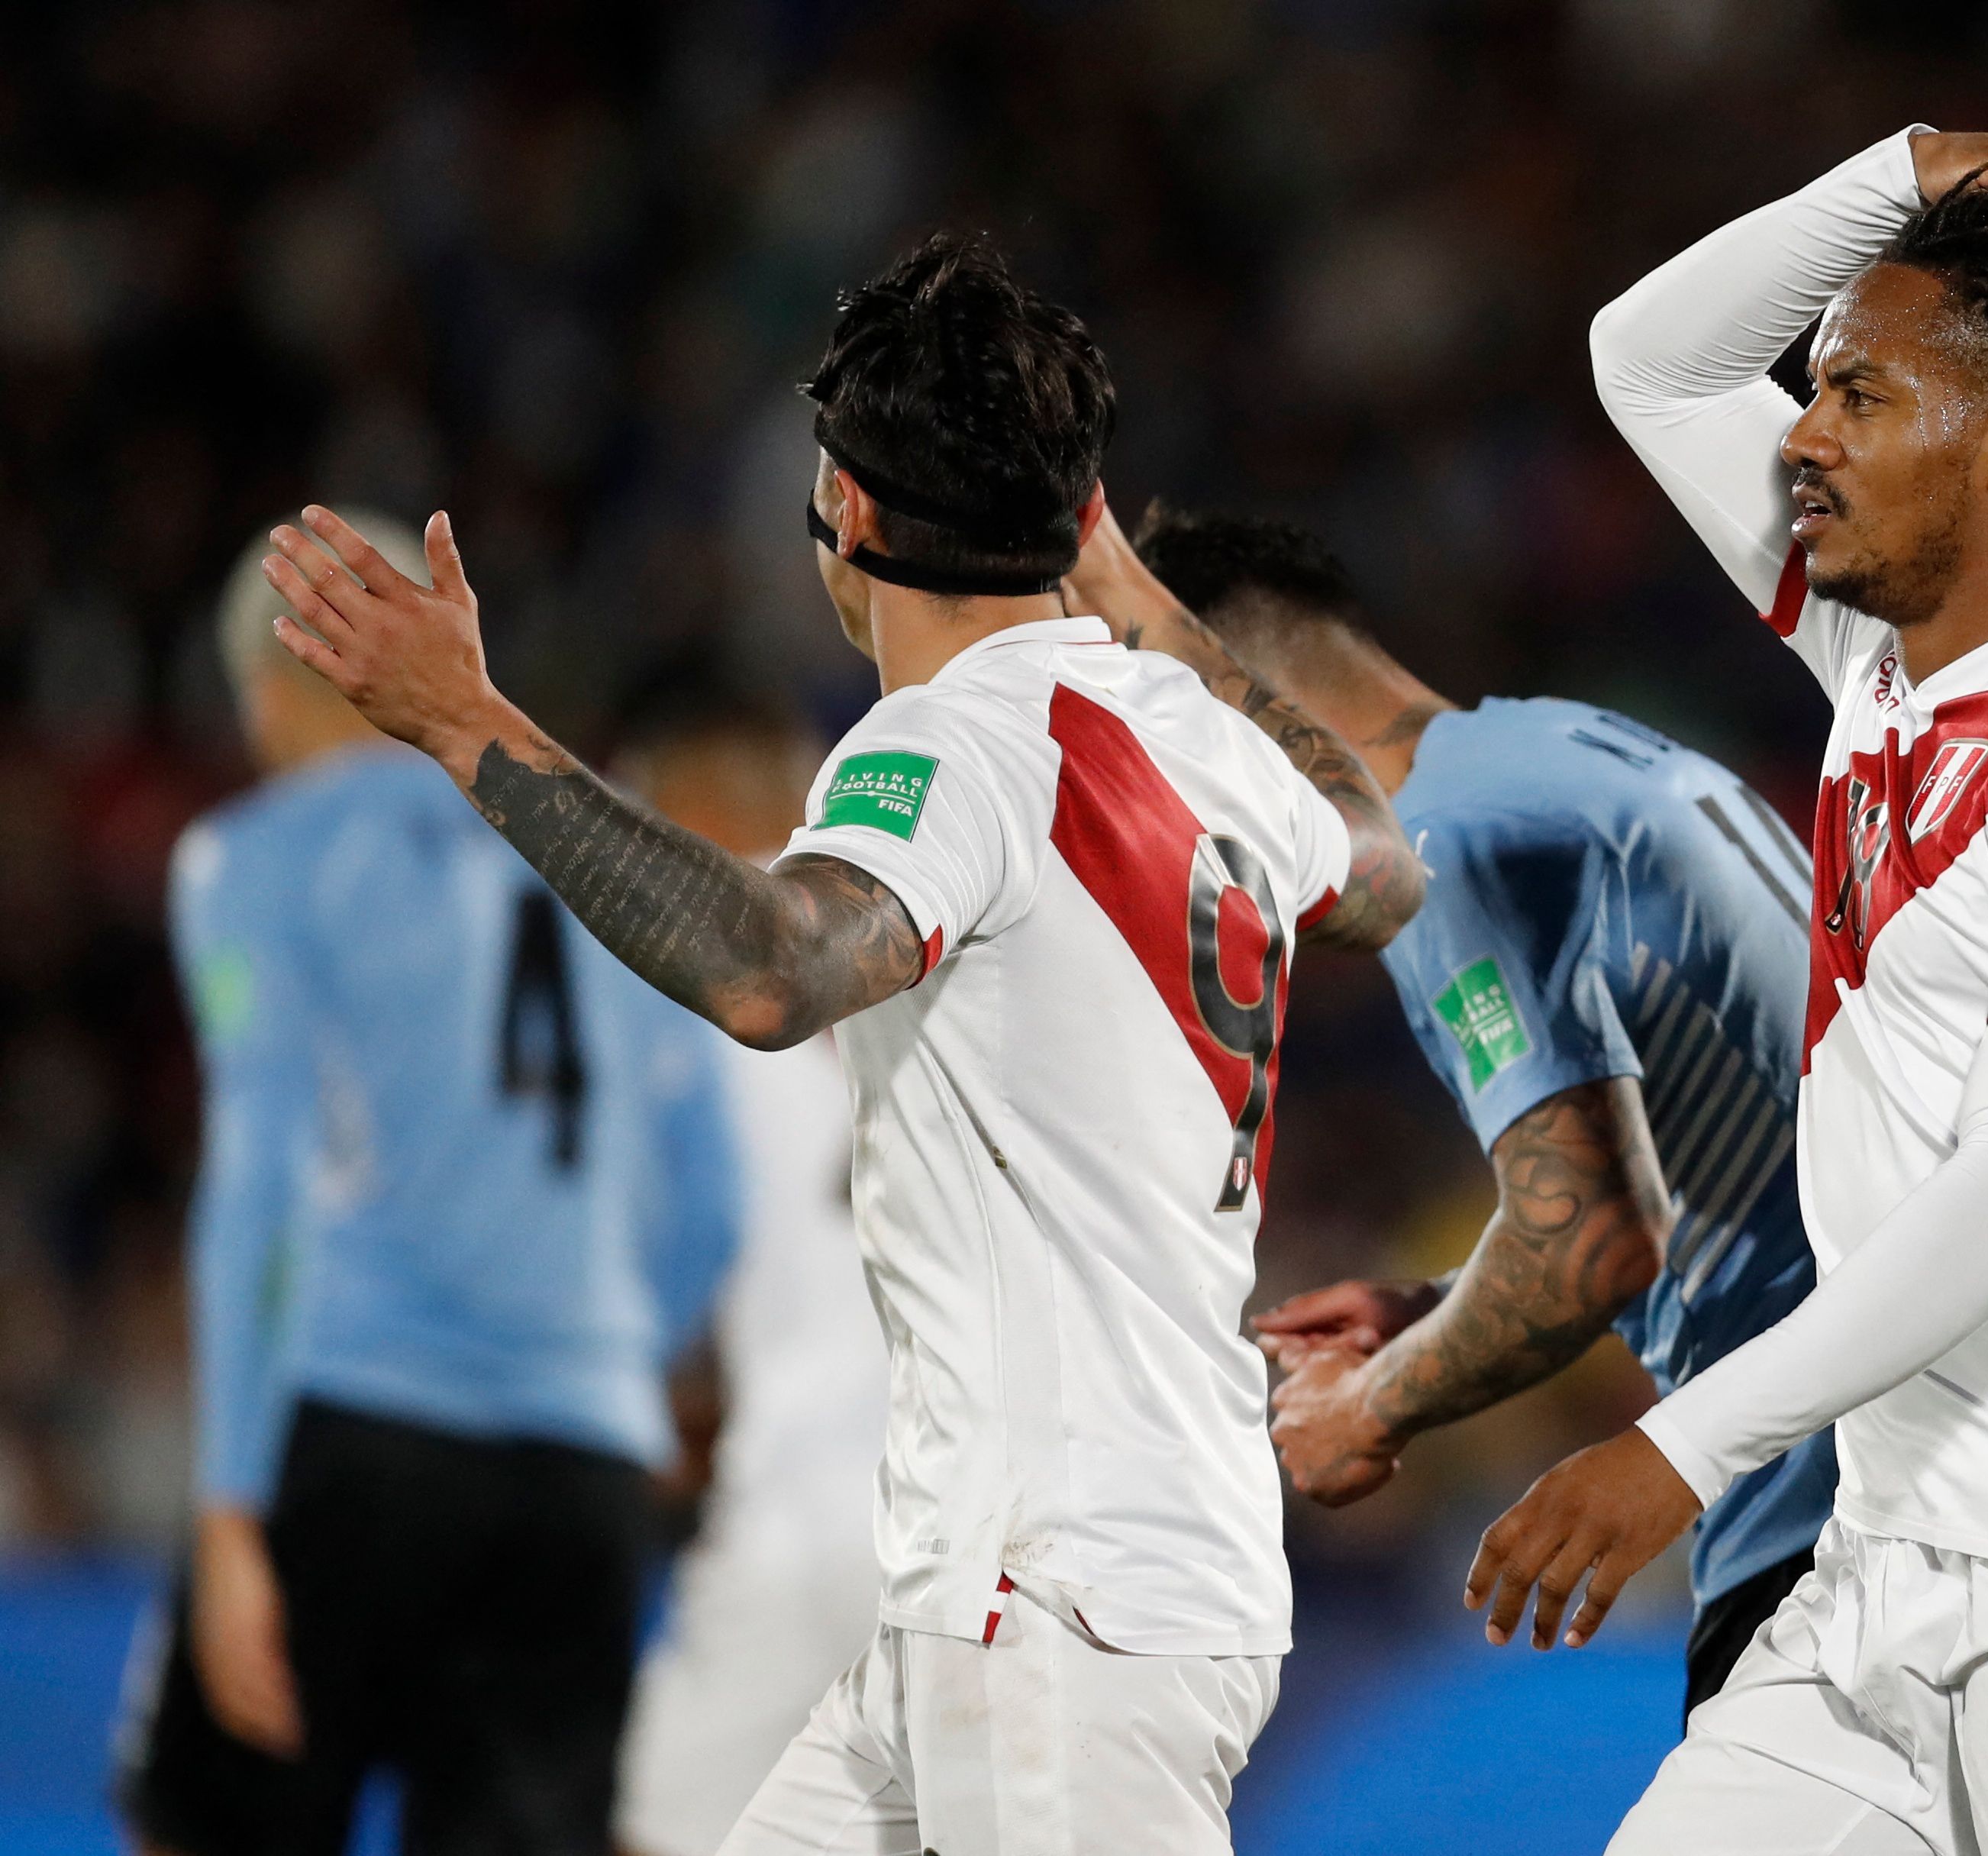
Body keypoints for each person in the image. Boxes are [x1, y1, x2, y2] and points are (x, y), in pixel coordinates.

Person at [252, 234, 1422, 1855]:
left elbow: (765, 970)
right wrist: (1140, 592)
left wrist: (467, 722)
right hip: (1022, 1580)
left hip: (1061, 1595)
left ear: (845, 512)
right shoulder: (1194, 736)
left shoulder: (948, 751)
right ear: (1076, 511)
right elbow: (1379, 863)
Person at [1459, 127, 1988, 1855]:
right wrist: (1907, 167)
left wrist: (1680, 1447)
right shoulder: (1882, 670)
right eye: (1814, 390)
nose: (1801, 434)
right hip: (1877, 1574)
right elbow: (1649, 354)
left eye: (1856, 392)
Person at [1077, 505, 1834, 1717]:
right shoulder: (1559, 752)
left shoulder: (1445, 846)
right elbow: (1686, 1168)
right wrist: (1428, 1312)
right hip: (1894, 1468)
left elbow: (1590, 1235)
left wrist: (1373, 1408)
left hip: (1831, 1525)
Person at [118, 515, 743, 1856]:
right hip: (579, 1468)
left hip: (352, 1435)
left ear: (275, 684)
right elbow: (713, 1205)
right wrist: (608, 1358)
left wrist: (230, 1506)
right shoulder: (621, 846)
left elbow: (260, 1179)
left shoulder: (265, 855)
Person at [606, 679, 890, 1856]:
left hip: (798, 1514)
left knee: (657, 1834)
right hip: (969, 1527)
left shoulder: (688, 997)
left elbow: (650, 1257)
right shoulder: (939, 942)